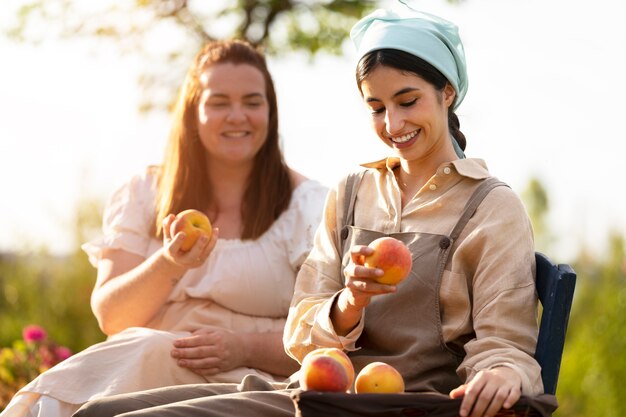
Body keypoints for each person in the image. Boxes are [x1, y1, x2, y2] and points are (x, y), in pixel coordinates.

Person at [71, 5, 548, 417]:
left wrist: (503, 372)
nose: (393, 124)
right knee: (100, 410)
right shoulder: (353, 192)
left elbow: (505, 340)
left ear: (447, 93)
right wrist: (350, 303)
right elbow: (300, 331)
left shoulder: (490, 206)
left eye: (408, 101)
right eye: (376, 107)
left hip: (407, 403)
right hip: (316, 397)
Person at [0, 39, 328, 417]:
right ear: (192, 112)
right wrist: (169, 262)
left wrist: (241, 347)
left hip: (253, 380)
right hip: (145, 369)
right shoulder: (144, 193)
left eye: (252, 102)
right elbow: (114, 317)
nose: (237, 115)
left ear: (270, 112)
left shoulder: (310, 205)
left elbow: (324, 338)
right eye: (219, 102)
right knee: (69, 397)